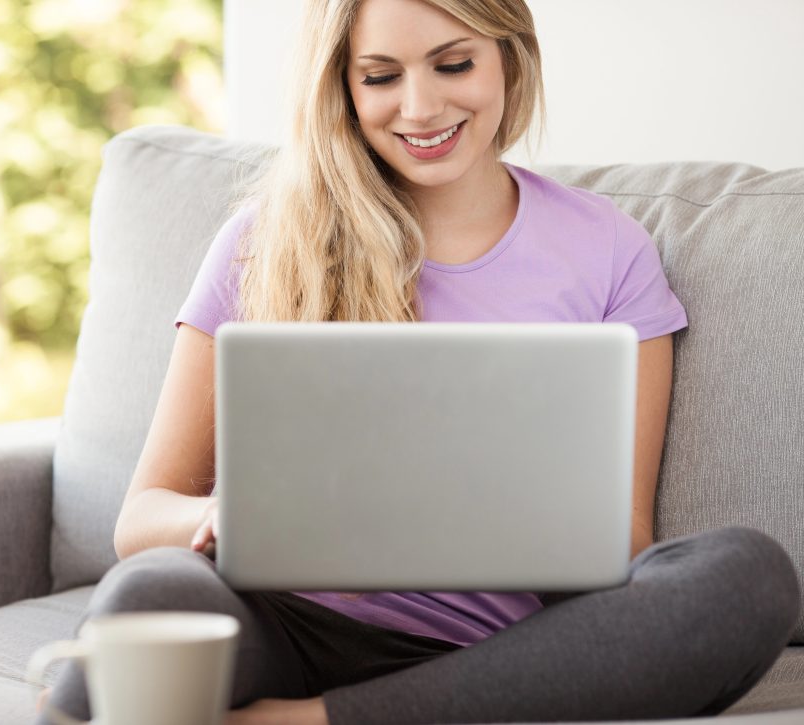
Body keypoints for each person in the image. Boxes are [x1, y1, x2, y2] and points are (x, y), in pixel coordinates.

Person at [39, 1, 801, 723]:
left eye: (453, 64)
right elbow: (142, 516)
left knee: (748, 577)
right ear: (342, 86)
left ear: (509, 57)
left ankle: (315, 720)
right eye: (380, 76)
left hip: (499, 655)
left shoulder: (609, 249)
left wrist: (498, 513)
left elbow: (626, 543)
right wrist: (213, 519)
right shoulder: (267, 238)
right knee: (148, 590)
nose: (421, 106)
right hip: (281, 620)